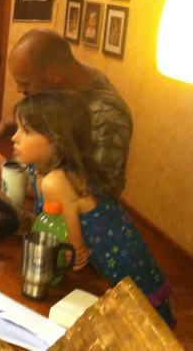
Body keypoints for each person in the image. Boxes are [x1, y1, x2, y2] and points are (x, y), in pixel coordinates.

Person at [12, 91, 174, 327]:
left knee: (138, 331)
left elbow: (75, 255)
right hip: (122, 264)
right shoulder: (40, 169)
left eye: (26, 131)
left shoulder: (55, 181)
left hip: (126, 272)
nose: (14, 137)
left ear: (57, 141)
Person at [0, 29, 132, 200]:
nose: (19, 90)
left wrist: (12, 181)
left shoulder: (105, 115)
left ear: (54, 76)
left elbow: (101, 191)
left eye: (25, 84)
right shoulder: (66, 79)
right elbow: (33, 113)